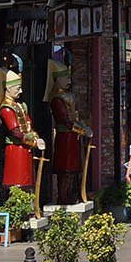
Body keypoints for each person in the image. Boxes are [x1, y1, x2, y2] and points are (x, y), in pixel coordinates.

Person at [46, 60, 90, 205]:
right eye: (65, 78)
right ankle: (63, 196)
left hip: (73, 137)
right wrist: (81, 130)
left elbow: (75, 116)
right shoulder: (57, 99)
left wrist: (84, 127)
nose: (68, 81)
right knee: (65, 169)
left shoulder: (68, 96)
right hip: (64, 136)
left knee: (73, 169)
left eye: (69, 78)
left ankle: (70, 193)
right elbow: (65, 120)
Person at [0, 56, 45, 190]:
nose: (21, 91)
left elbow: (28, 124)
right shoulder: (6, 109)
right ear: (8, 89)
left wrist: (36, 137)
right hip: (15, 149)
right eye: (17, 88)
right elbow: (16, 132)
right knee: (16, 183)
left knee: (27, 182)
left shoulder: (20, 105)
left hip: (25, 149)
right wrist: (33, 142)